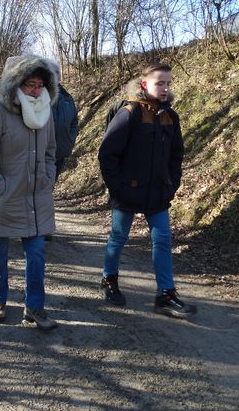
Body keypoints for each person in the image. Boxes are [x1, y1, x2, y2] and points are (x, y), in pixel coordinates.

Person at [98, 63, 197, 319]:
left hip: (158, 193)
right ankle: (108, 280)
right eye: (159, 83)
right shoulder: (130, 112)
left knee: (162, 239)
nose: (164, 88)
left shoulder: (170, 116)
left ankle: (165, 294)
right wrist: (117, 187)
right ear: (145, 84)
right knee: (118, 237)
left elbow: (177, 155)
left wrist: (172, 183)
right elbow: (107, 153)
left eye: (167, 83)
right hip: (126, 191)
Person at [0, 54, 58, 330]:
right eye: (29, 84)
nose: (35, 90)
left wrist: (47, 177)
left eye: (39, 85)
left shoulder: (46, 112)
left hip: (36, 198)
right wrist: (1, 188)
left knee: (36, 255)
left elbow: (51, 152)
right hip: (3, 199)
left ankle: (34, 307)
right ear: (15, 84)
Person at [50, 64, 78, 181]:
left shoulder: (67, 98)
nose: (55, 76)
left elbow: (74, 122)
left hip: (60, 154)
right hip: (42, 155)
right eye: (52, 73)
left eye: (57, 73)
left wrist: (70, 140)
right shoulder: (39, 96)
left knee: (50, 187)